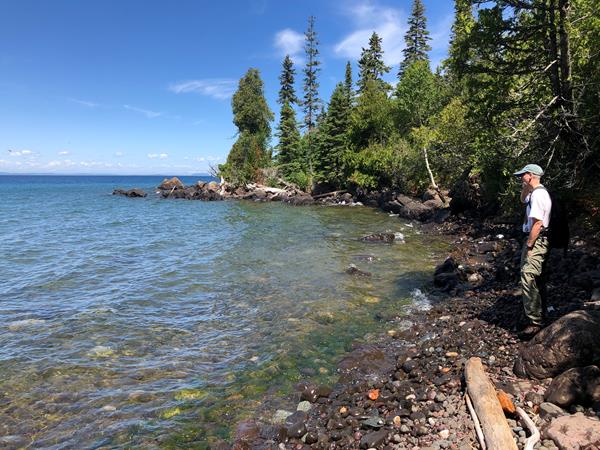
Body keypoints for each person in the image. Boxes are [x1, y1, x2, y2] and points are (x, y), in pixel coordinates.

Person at [514, 163, 552, 338]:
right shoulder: (534, 193)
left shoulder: (538, 195)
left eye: (523, 175)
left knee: (529, 276)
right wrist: (526, 188)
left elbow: (537, 223)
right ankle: (540, 312)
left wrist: (529, 245)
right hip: (536, 239)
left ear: (530, 175)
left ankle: (535, 322)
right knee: (536, 276)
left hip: (536, 240)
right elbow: (522, 200)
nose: (520, 178)